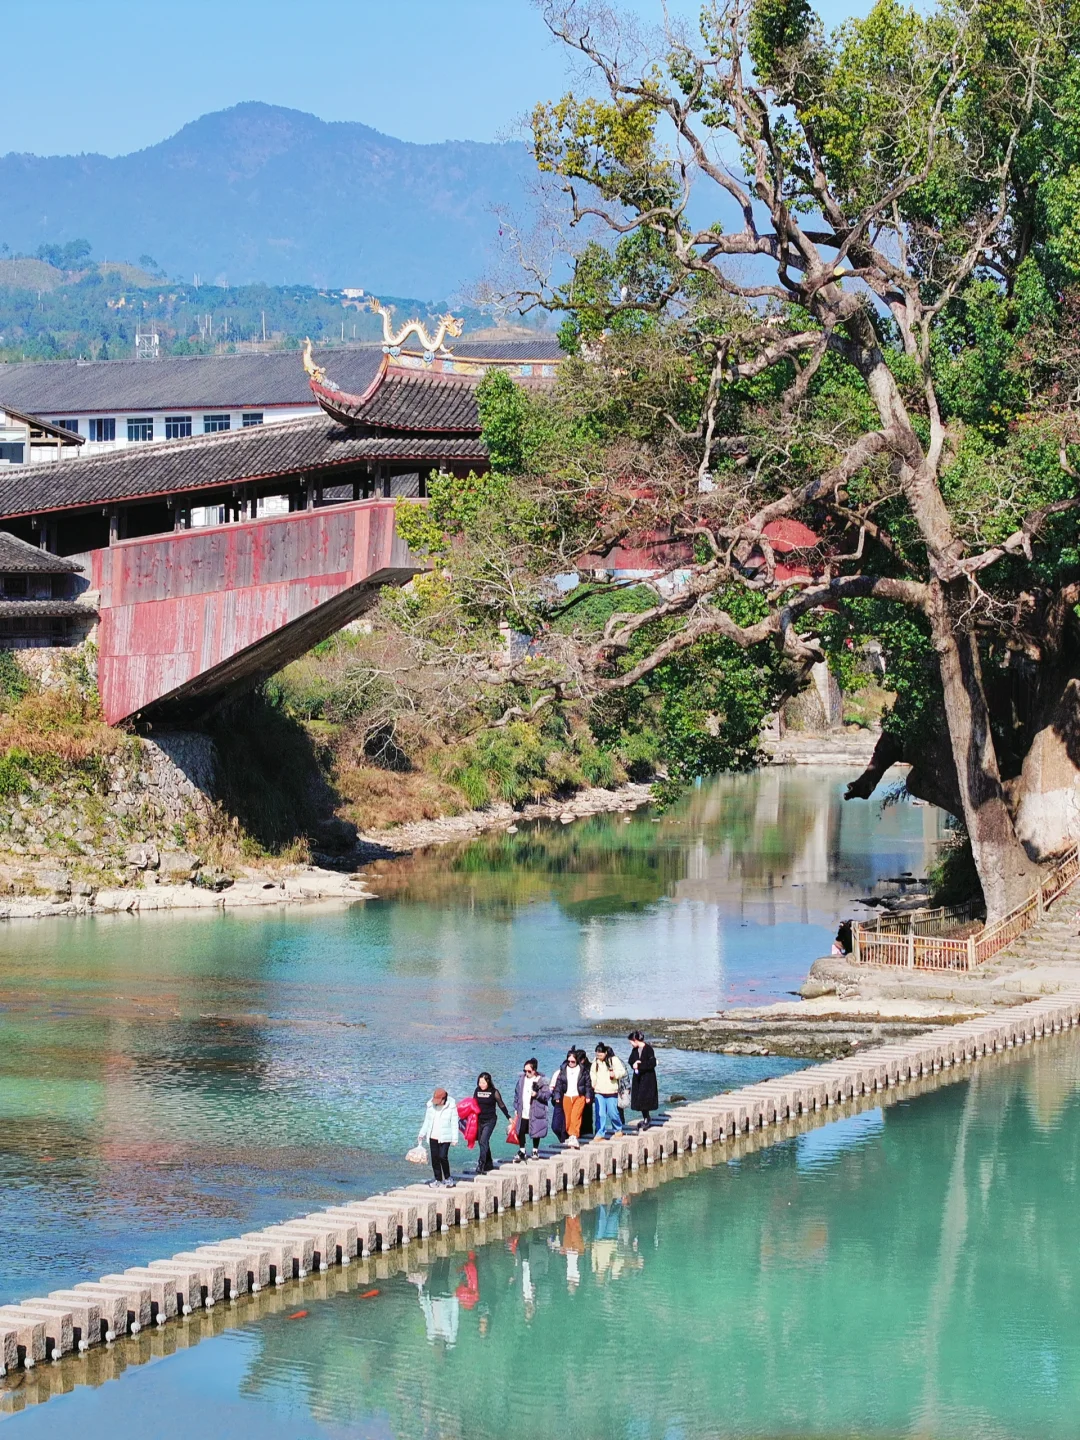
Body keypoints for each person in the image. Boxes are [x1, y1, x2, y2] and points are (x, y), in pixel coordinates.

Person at [552, 1046, 593, 1148]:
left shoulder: (583, 1070)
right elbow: (559, 1084)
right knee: (568, 1118)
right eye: (569, 1061)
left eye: (573, 1061)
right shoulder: (563, 1070)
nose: (570, 1063)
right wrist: (557, 1096)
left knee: (576, 1116)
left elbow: (588, 1084)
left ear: (577, 1061)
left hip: (579, 1096)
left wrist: (588, 1096)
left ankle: (574, 1136)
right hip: (567, 1096)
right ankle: (570, 1136)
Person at [417, 1086, 458, 1188]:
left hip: (446, 1137)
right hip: (433, 1136)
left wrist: (455, 1138)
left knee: (442, 1156)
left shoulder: (451, 1106)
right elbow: (427, 1121)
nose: (436, 1103)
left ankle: (448, 1178)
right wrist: (422, 1133)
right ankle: (438, 1179)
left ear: (444, 1099)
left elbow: (454, 1123)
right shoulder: (430, 1106)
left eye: (438, 1101)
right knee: (435, 1158)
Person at [512, 1057, 551, 1162]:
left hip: (536, 1109)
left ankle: (535, 1150)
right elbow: (517, 1094)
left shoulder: (541, 1081)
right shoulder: (521, 1080)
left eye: (529, 1071)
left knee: (536, 1130)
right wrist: (516, 1106)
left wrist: (537, 1094)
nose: (526, 1073)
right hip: (523, 1109)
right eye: (525, 1071)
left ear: (534, 1070)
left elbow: (547, 1095)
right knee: (520, 1130)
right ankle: (522, 1150)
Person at [473, 1071, 510, 1174]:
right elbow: (473, 1104)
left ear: (488, 1082)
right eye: (480, 1082)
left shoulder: (494, 1092)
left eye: (483, 1083)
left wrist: (508, 1117)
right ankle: (489, 1163)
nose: (481, 1085)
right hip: (479, 1120)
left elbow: (501, 1105)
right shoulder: (477, 1090)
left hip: (490, 1120)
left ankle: (481, 1164)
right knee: (482, 1141)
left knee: (483, 1141)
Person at [590, 1043, 627, 1139]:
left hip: (611, 1091)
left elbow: (622, 1071)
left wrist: (615, 1074)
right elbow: (592, 1073)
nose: (598, 1055)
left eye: (600, 1053)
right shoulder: (595, 1062)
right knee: (600, 1114)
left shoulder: (614, 1060)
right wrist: (593, 1082)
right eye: (597, 1053)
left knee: (613, 1113)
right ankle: (600, 1133)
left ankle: (618, 1129)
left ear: (605, 1052)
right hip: (599, 1092)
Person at [627, 1030, 659, 1127]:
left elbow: (652, 1063)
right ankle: (646, 1117)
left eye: (631, 1042)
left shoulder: (648, 1049)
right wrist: (634, 1064)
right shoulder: (635, 1050)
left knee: (645, 1098)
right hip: (638, 1078)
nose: (631, 1044)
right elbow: (630, 1060)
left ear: (635, 1040)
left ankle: (646, 1118)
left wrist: (640, 1065)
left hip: (648, 1078)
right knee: (639, 1099)